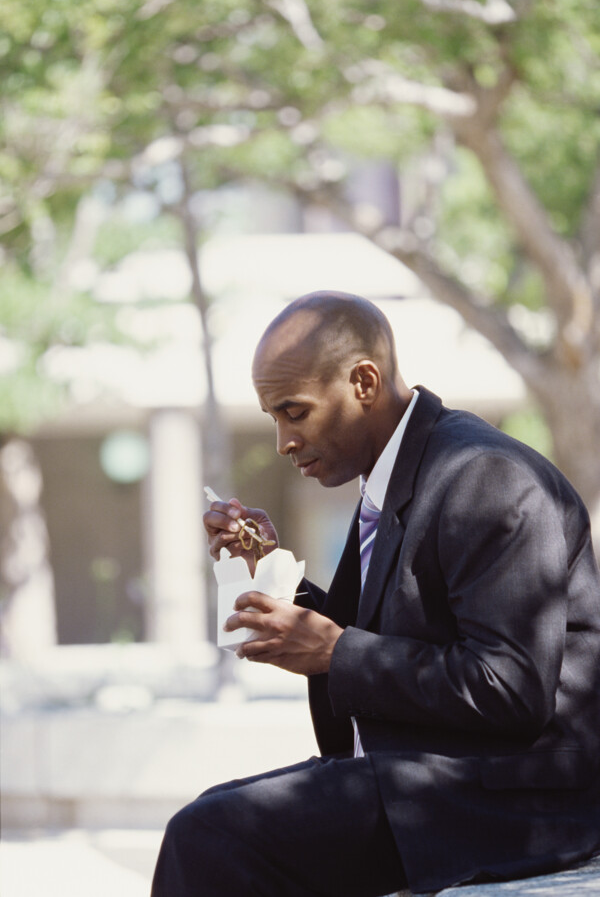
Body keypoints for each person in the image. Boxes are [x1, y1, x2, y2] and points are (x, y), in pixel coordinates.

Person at [151, 291, 600, 897]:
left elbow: (511, 688)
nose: (284, 439)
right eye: (274, 418)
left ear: (363, 381)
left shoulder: (483, 476)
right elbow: (381, 633)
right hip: (428, 775)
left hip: (513, 800)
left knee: (211, 835)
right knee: (211, 814)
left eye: (295, 411)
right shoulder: (400, 477)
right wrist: (267, 566)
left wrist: (336, 653)